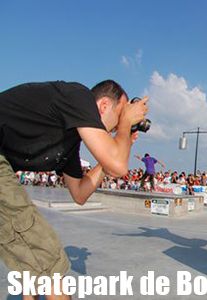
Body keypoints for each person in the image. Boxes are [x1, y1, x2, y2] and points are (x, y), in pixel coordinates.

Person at [0, 80, 148, 300]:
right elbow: (119, 166)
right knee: (49, 260)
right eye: (120, 114)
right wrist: (126, 125)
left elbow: (80, 193)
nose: (118, 125)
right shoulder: (78, 96)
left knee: (32, 268)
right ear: (104, 105)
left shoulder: (69, 144)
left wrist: (123, 142)